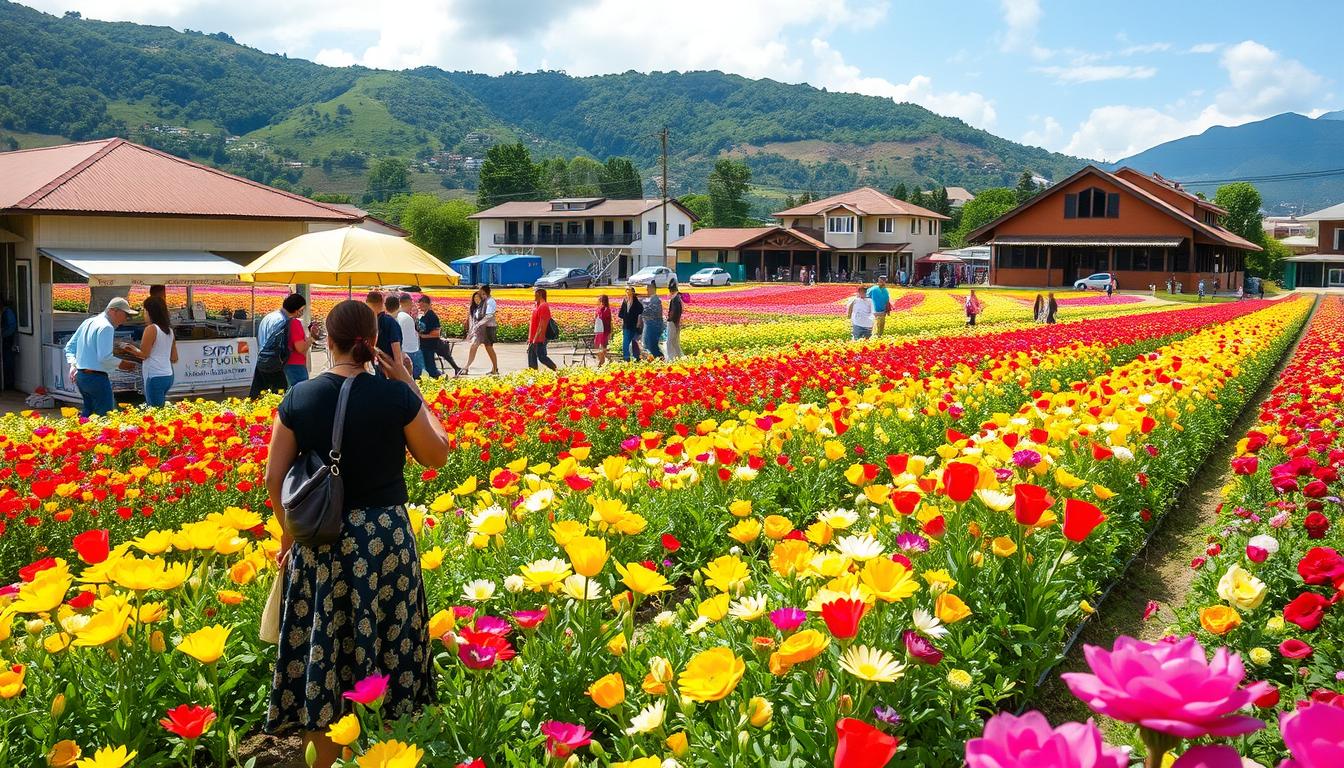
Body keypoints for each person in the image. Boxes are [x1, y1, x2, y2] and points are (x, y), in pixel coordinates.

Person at [263, 299, 449, 768]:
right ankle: (388, 754)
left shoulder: (299, 398)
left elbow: (273, 477)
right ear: (374, 341)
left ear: (328, 338)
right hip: (383, 540)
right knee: (391, 644)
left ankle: (325, 760)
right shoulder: (395, 397)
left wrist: (289, 534)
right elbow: (437, 454)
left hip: (320, 539)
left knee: (323, 649)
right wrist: (409, 383)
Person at [64, 296, 138, 417]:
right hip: (96, 378)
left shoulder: (89, 321)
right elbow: (105, 357)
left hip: (82, 376)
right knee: (105, 417)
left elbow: (70, 346)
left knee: (88, 415)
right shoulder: (106, 326)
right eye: (125, 315)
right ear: (113, 311)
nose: (125, 320)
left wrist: (73, 364)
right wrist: (124, 364)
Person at [121, 296, 178, 407]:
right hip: (168, 376)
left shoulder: (151, 328)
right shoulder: (169, 330)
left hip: (154, 376)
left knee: (154, 412)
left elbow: (144, 355)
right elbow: (174, 358)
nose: (144, 314)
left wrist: (128, 347)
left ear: (150, 312)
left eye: (144, 311)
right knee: (160, 410)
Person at [249, 294, 305, 398]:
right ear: (296, 309)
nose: (301, 313)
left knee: (260, 396)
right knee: (279, 394)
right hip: (273, 363)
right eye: (301, 309)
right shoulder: (283, 321)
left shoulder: (269, 317)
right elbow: (279, 345)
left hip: (261, 360)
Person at [416, 295, 459, 378]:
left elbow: (436, 333)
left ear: (426, 304)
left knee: (431, 367)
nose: (420, 307)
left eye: (421, 305)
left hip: (430, 345)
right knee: (428, 366)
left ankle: (442, 378)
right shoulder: (425, 315)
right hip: (425, 345)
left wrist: (423, 336)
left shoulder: (432, 316)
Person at [463, 285, 499, 375]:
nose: (481, 295)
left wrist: (479, 324)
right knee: (475, 346)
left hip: (488, 328)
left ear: (486, 292)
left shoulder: (490, 301)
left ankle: (495, 369)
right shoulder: (484, 302)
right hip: (481, 329)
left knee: (489, 348)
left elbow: (489, 315)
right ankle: (467, 367)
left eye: (482, 293)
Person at [365, 291, 402, 378]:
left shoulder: (364, 322)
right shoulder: (390, 322)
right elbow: (397, 356)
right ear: (382, 303)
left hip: (369, 369)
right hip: (388, 369)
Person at [527, 288, 557, 371]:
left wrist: (535, 339)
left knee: (542, 357)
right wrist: (530, 338)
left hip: (540, 338)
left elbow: (542, 325)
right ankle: (533, 374)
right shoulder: (536, 305)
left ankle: (555, 369)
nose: (534, 296)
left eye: (535, 294)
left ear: (539, 294)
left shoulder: (544, 306)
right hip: (533, 338)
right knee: (531, 357)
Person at [394, 293, 422, 379]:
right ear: (409, 302)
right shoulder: (407, 318)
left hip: (404, 350)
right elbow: (410, 336)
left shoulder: (398, 315)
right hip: (411, 351)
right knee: (415, 374)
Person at [618, 285, 644, 362]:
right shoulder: (625, 301)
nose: (627, 292)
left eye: (629, 290)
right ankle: (626, 358)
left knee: (634, 342)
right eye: (626, 290)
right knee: (625, 342)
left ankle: (636, 357)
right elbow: (621, 313)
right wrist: (625, 317)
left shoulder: (636, 302)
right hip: (626, 325)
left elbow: (640, 311)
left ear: (633, 292)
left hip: (634, 325)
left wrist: (639, 322)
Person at [641, 282, 665, 360]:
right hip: (649, 324)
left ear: (653, 289)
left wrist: (641, 310)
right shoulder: (650, 299)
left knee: (652, 345)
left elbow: (651, 312)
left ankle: (660, 358)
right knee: (648, 344)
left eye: (648, 289)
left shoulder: (656, 300)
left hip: (654, 326)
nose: (647, 290)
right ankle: (657, 359)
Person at [665, 281, 685, 361]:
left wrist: (670, 320)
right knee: (675, 342)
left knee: (669, 342)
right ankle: (680, 357)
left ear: (672, 291)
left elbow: (674, 313)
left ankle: (671, 359)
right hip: (675, 323)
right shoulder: (678, 298)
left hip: (673, 323)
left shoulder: (675, 300)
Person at [1, 297, 16, 391]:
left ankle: (8, 383)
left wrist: (3, 335)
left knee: (7, 362)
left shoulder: (7, 312)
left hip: (6, 340)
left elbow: (12, 326)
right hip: (4, 338)